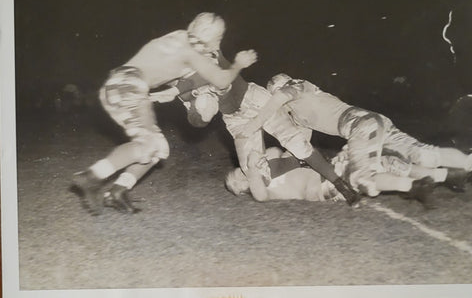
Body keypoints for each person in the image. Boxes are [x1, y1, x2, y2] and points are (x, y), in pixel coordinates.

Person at [71, 13, 257, 215]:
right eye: (219, 37)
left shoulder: (177, 38)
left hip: (117, 85)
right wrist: (238, 64)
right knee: (148, 146)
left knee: (158, 149)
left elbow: (171, 69)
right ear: (205, 33)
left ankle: (118, 191)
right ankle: (91, 177)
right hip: (130, 84)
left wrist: (178, 89)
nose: (219, 43)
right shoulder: (191, 51)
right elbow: (221, 80)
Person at [152, 57, 361, 206]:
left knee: (293, 141)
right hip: (235, 118)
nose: (172, 80)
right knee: (254, 164)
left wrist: (187, 89)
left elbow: (220, 71)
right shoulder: (184, 93)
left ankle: (338, 182)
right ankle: (310, 169)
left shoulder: (202, 60)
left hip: (253, 99)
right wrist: (200, 111)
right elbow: (196, 120)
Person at [235, 74, 472, 197]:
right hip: (372, 121)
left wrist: (256, 121)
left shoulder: (298, 88)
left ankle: (420, 184)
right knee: (423, 152)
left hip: (358, 126)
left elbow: (281, 96)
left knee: (362, 178)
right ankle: (471, 165)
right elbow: (302, 144)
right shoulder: (296, 114)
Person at [225, 147, 437, 207]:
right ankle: (414, 186)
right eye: (238, 183)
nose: (242, 176)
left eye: (239, 173)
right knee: (360, 176)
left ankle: (435, 176)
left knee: (380, 160)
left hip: (329, 171)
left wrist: (260, 161)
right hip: (322, 188)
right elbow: (260, 196)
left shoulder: (270, 164)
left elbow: (279, 151)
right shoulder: (261, 191)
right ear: (243, 190)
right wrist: (253, 168)